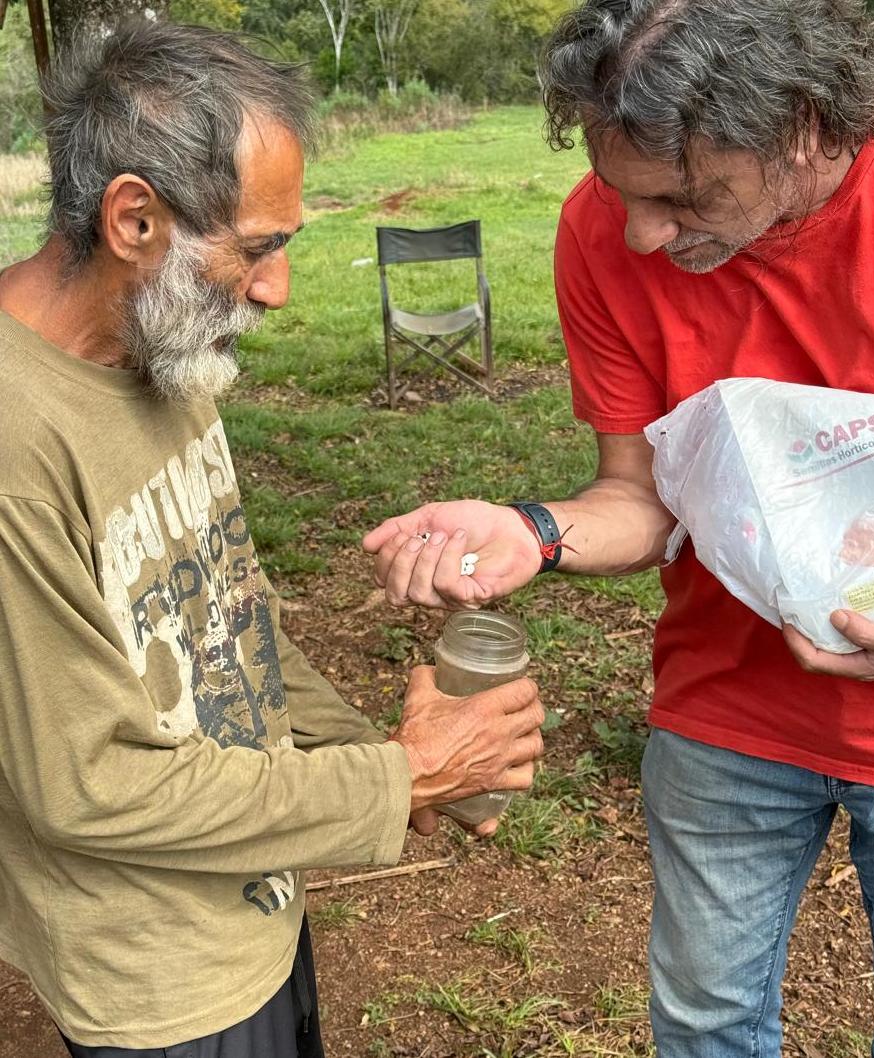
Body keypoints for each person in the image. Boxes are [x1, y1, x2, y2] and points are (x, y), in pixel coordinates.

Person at [363, 2, 874, 1055]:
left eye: (683, 196)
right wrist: (530, 530)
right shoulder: (605, 227)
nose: (638, 233)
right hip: (726, 710)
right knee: (703, 1025)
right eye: (618, 189)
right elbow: (639, 496)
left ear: (806, 125)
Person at [0, 21, 545, 1058]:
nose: (276, 288)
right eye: (256, 248)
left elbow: (230, 611)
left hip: (254, 896)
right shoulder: (16, 443)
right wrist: (399, 780)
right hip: (155, 977)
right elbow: (89, 783)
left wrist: (388, 756)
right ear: (133, 218)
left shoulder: (168, 348)